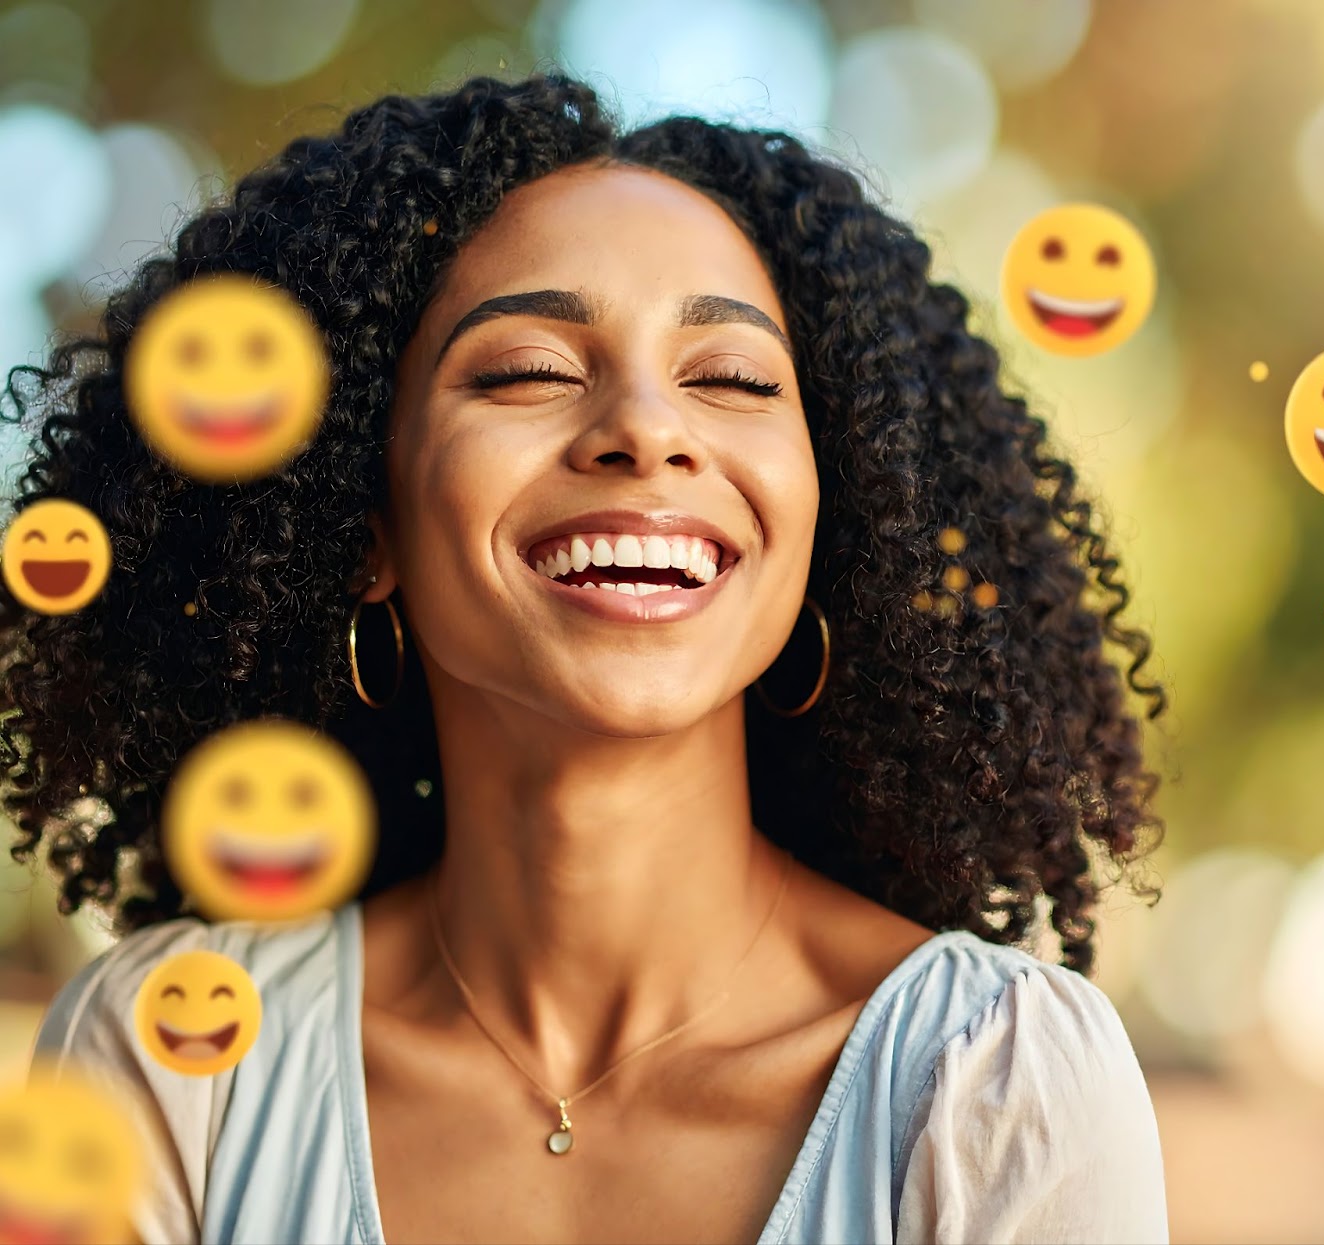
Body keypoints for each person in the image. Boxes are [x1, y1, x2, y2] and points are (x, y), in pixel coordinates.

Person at [2, 73, 1170, 1244]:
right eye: (528, 371)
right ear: (360, 527)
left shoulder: (997, 1080)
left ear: (833, 522)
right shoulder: (177, 1068)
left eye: (733, 380)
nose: (648, 430)